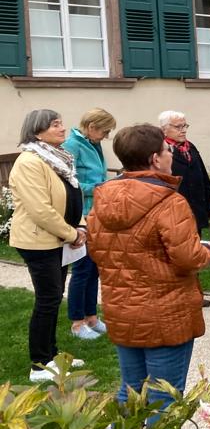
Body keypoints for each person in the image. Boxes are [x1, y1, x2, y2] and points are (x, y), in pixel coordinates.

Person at [86, 124, 210, 429]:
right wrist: (206, 252)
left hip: (122, 310)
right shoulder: (170, 202)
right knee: (164, 402)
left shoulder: (103, 200)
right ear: (156, 159)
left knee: (130, 393)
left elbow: (98, 250)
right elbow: (187, 258)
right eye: (167, 150)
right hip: (165, 313)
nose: (171, 154)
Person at [9, 109, 87, 382]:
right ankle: (39, 365)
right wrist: (71, 234)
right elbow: (40, 210)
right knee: (47, 300)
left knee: (53, 298)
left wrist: (80, 226)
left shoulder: (56, 158)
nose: (63, 128)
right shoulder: (30, 162)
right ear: (37, 130)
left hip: (57, 239)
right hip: (38, 241)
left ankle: (52, 355)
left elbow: (68, 197)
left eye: (61, 123)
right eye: (55, 125)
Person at [62, 108, 116, 340]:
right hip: (82, 215)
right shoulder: (72, 145)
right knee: (82, 269)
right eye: (104, 131)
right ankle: (77, 322)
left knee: (94, 268)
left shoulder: (93, 143)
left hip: (97, 212)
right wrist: (95, 189)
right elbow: (67, 182)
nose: (105, 136)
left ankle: (92, 317)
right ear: (92, 127)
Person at [160, 110, 210, 308]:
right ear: (164, 129)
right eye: (178, 127)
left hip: (196, 207)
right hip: (175, 209)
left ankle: (194, 293)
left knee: (194, 252)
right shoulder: (162, 151)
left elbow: (203, 175)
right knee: (178, 254)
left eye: (185, 126)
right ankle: (180, 295)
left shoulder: (190, 147)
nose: (183, 130)